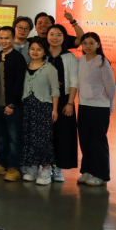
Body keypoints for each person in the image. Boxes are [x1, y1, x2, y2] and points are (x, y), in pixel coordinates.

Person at [76, 32, 115, 187]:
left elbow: (111, 87)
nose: (88, 46)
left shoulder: (102, 62)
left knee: (98, 141)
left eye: (91, 43)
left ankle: (100, 174)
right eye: (85, 43)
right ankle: (87, 170)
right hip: (84, 105)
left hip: (99, 107)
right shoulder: (80, 60)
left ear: (98, 45)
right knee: (85, 139)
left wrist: (111, 104)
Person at [19, 39, 59, 185]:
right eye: (33, 49)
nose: (35, 52)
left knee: (44, 140)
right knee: (29, 138)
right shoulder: (24, 67)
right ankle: (33, 168)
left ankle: (46, 171)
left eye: (39, 49)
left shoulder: (50, 69)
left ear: (44, 52)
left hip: (44, 107)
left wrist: (55, 109)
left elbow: (55, 90)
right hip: (27, 107)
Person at [0, 26, 27, 182]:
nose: (3, 41)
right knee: (0, 137)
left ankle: (14, 167)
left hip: (12, 106)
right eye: (1, 38)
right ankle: (2, 163)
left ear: (13, 39)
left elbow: (19, 83)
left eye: (7, 38)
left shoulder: (18, 58)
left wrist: (11, 104)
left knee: (14, 137)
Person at [44, 24, 78, 182]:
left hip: (65, 100)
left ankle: (59, 168)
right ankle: (45, 166)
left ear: (64, 38)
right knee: (45, 134)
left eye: (59, 35)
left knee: (63, 134)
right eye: (51, 34)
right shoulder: (42, 54)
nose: (54, 38)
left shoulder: (69, 56)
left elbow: (74, 80)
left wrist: (70, 103)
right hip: (44, 99)